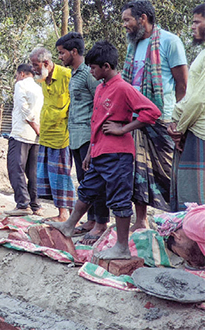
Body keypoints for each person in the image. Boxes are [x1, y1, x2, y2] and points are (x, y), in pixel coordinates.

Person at [48, 41, 161, 260]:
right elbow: (96, 122)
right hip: (99, 151)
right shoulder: (100, 87)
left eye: (93, 68)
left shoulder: (123, 88)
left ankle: (121, 246)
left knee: (119, 198)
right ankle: (69, 225)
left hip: (118, 155)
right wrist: (91, 151)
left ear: (106, 66)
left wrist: (124, 128)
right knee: (87, 189)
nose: (90, 71)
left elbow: (152, 112)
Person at [121, 0, 188, 230]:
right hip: (137, 117)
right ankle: (140, 221)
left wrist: (177, 119)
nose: (125, 25)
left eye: (127, 20)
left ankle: (181, 223)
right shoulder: (134, 45)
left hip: (163, 119)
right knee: (138, 170)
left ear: (142, 19)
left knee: (169, 173)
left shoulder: (170, 42)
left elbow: (183, 86)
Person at [56, 32, 110, 244]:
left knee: (95, 181)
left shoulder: (89, 74)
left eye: (62, 53)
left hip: (89, 136)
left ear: (74, 51)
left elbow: (102, 102)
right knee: (84, 180)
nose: (60, 57)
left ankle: (101, 223)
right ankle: (90, 221)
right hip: (76, 137)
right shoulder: (74, 74)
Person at [29, 47, 75, 222]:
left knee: (61, 174)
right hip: (47, 134)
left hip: (62, 135)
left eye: (35, 65)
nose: (33, 69)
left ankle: (65, 215)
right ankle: (62, 212)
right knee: (49, 174)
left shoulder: (66, 75)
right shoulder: (43, 79)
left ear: (46, 63)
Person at [168, 4, 205, 210]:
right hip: (193, 129)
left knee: (194, 200)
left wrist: (179, 128)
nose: (192, 27)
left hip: (198, 133)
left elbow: (198, 100)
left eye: (196, 22)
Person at [6, 64, 43, 216]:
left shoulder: (20, 85)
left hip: (21, 133)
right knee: (32, 171)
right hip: (36, 137)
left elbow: (24, 108)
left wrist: (34, 126)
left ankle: (22, 204)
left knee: (16, 168)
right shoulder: (39, 88)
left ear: (21, 74)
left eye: (16, 75)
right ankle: (36, 205)